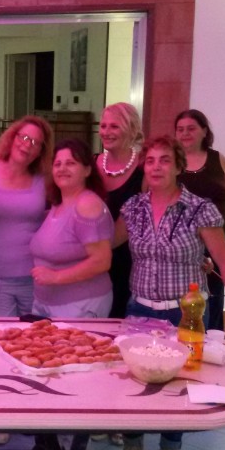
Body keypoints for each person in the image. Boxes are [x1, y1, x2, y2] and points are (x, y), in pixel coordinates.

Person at [112, 136, 225, 450]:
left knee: (178, 385)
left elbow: (223, 258)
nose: (156, 167)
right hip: (140, 309)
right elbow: (106, 243)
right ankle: (132, 446)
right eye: (150, 161)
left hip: (183, 314)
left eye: (164, 160)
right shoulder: (133, 208)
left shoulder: (199, 209)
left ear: (178, 167)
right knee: (136, 382)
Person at [0, 116, 52, 318]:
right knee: (1, 335)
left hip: (34, 278)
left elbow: (59, 213)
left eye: (35, 142)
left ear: (40, 151)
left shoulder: (44, 181)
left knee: (34, 336)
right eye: (24, 137)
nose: (27, 145)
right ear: (12, 137)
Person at [30, 139, 112, 318]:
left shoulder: (87, 204)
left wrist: (56, 277)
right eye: (57, 164)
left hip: (79, 306)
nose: (62, 169)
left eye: (71, 163)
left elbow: (102, 260)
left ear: (87, 170)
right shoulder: (58, 204)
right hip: (47, 305)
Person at [175, 109, 225, 331]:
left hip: (217, 246)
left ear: (204, 131)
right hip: (183, 251)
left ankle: (212, 345)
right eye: (180, 129)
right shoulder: (171, 163)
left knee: (213, 304)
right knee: (189, 307)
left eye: (191, 128)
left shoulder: (218, 159)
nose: (185, 133)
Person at [96, 102, 145, 321]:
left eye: (114, 126)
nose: (106, 132)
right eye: (103, 126)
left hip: (129, 263)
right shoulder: (91, 164)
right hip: (92, 260)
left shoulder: (144, 169)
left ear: (132, 130)